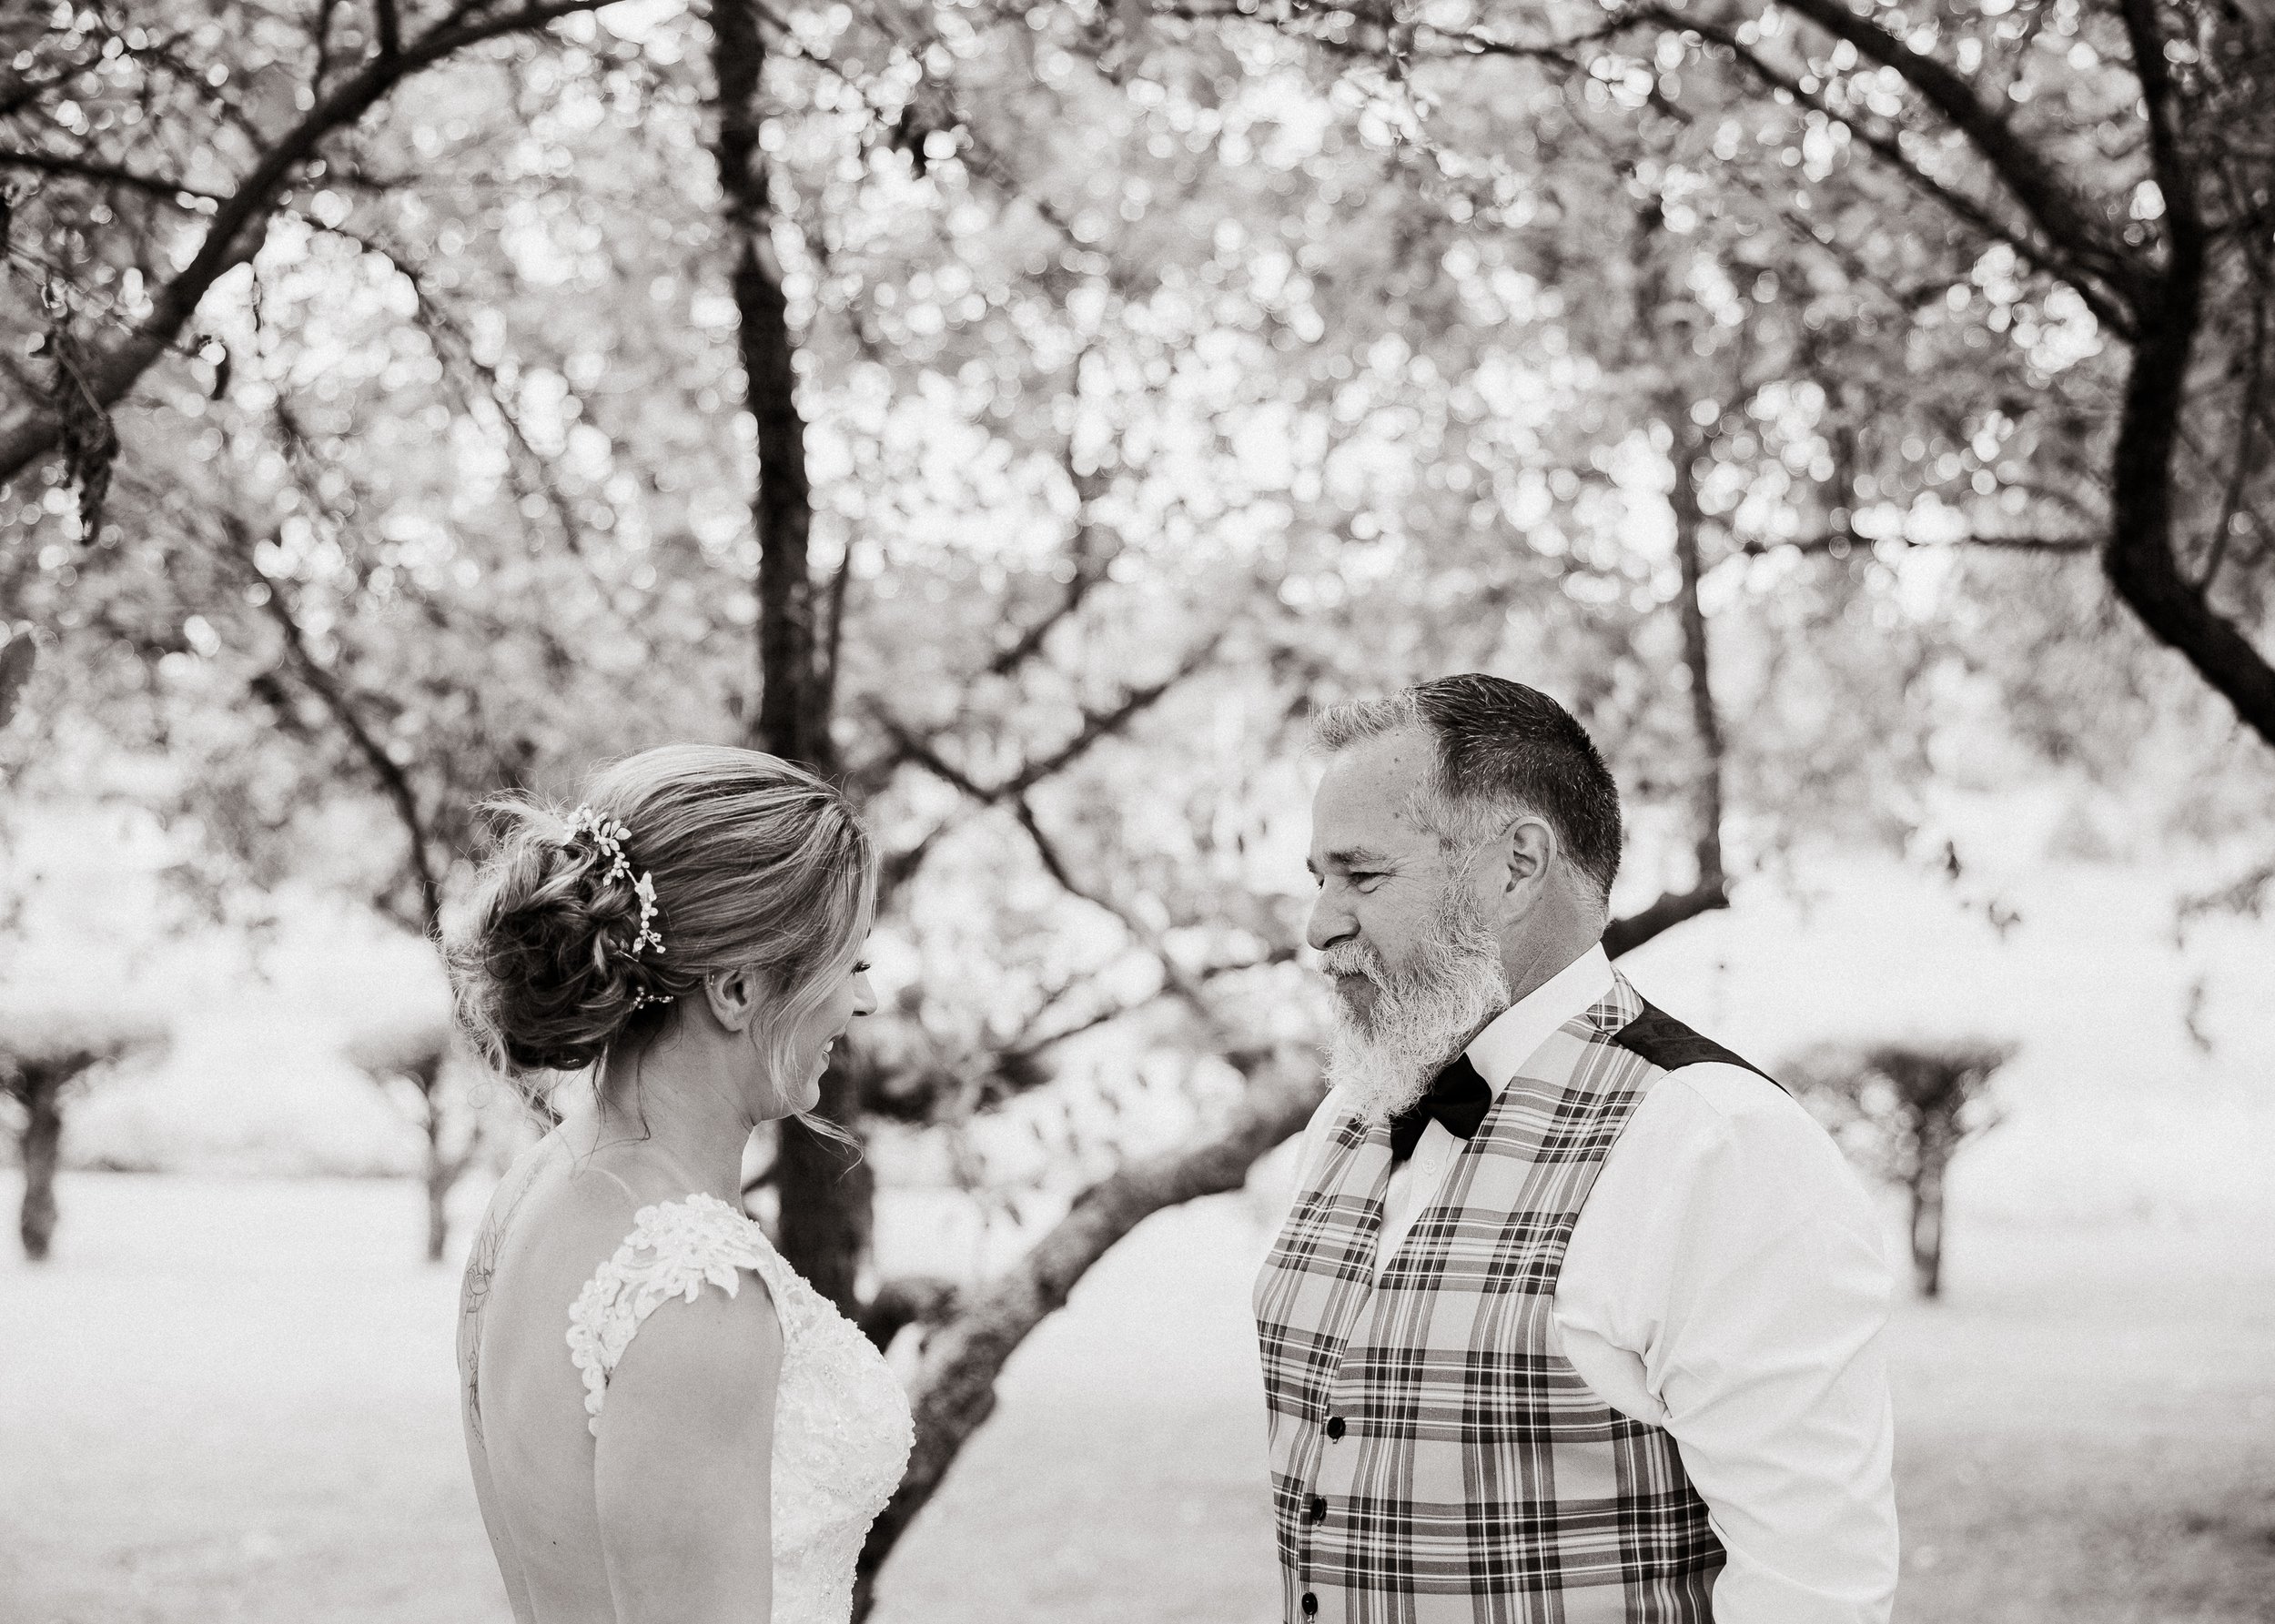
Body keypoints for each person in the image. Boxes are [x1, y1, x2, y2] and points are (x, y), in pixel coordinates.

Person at [1255, 674, 1897, 1623]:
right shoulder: (1342, 1121)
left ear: (1516, 866)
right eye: (1320, 879)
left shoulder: (1717, 1145)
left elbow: (1815, 1588)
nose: (1319, 925)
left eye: (1363, 875)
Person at [443, 743, 912, 1624]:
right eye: (851, 963)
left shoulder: (534, 1189)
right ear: (737, 988)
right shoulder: (697, 1294)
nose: (864, 1001)